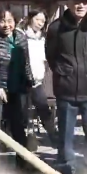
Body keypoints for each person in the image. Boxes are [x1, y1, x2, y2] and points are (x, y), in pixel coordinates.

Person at [45, 0, 87, 174]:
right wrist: (64, 72)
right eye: (76, 1)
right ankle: (66, 166)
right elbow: (51, 55)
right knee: (66, 133)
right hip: (66, 88)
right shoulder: (56, 28)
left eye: (84, 1)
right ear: (67, 3)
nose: (80, 5)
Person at [0, 8, 34, 170]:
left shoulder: (21, 37)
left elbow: (26, 62)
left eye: (9, 21)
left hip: (18, 88)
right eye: (2, 21)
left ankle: (23, 163)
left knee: (19, 126)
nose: (6, 25)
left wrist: (30, 82)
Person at [23, 9, 58, 144]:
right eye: (37, 19)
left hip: (37, 80)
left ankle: (54, 136)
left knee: (43, 108)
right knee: (22, 112)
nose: (40, 23)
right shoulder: (22, 36)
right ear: (31, 18)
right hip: (23, 80)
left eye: (43, 21)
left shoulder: (42, 38)